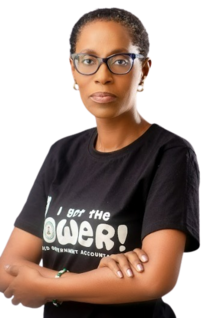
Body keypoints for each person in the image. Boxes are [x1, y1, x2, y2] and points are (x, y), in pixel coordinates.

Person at [0, 7, 200, 318]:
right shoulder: (61, 152)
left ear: (144, 70)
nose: (102, 76)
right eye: (89, 61)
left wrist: (48, 285)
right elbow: (8, 267)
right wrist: (99, 275)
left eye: (120, 61)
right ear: (73, 70)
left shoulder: (170, 154)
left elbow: (155, 280)